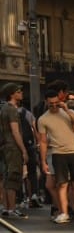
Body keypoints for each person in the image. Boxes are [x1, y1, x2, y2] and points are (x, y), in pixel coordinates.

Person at [37, 81, 74, 224]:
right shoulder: (43, 119)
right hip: (58, 153)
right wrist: (43, 161)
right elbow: (43, 141)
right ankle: (64, 213)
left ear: (59, 100)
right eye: (51, 104)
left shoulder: (68, 112)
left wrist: (67, 109)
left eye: (56, 103)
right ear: (46, 102)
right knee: (62, 184)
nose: (54, 106)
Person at [1, 82, 29, 219]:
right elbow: (15, 131)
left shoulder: (4, 109)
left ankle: (7, 208)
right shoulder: (11, 109)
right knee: (13, 177)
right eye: (18, 91)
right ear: (12, 94)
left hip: (6, 146)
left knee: (7, 177)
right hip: (13, 147)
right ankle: (11, 208)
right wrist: (23, 150)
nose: (21, 93)